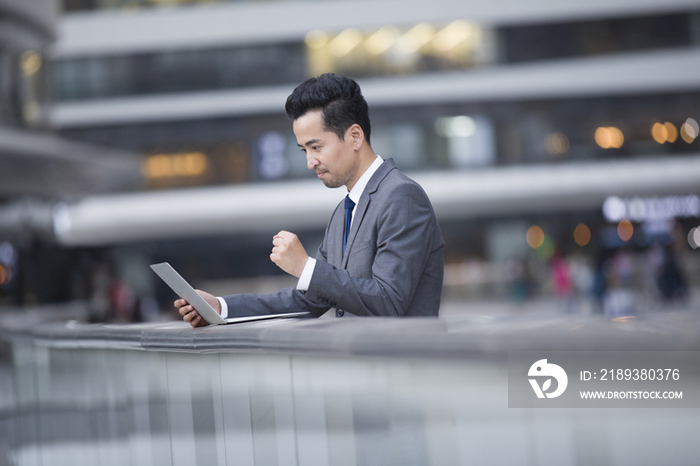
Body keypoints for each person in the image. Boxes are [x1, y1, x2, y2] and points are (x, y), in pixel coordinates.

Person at [177, 74, 444, 326]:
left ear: (354, 136)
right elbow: (308, 301)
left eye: (316, 147)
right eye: (304, 150)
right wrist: (221, 307)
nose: (309, 162)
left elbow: (389, 300)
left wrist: (306, 267)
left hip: (406, 369)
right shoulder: (344, 212)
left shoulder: (402, 196)